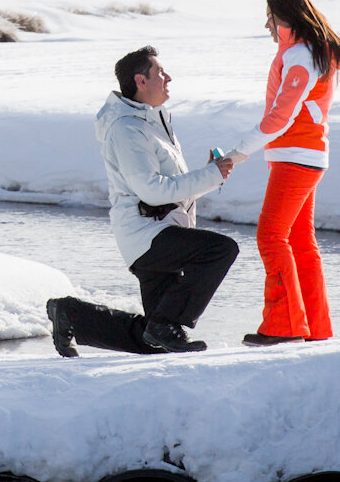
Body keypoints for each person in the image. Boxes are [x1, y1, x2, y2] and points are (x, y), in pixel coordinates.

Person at [47, 45, 239, 356]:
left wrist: (210, 174)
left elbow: (171, 189)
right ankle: (163, 325)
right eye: (161, 73)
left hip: (161, 231)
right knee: (220, 250)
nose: (169, 78)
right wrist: (210, 176)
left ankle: (72, 314)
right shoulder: (126, 129)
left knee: (154, 342)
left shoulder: (152, 123)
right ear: (141, 80)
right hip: (148, 236)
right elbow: (152, 191)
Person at [223, 0, 340, 347]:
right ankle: (314, 327)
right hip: (303, 156)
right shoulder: (307, 52)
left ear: (289, 18)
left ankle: (284, 326)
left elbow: (281, 116)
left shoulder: (300, 56)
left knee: (270, 236)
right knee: (299, 241)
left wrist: (238, 152)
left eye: (272, 17)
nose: (267, 25)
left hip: (297, 156)